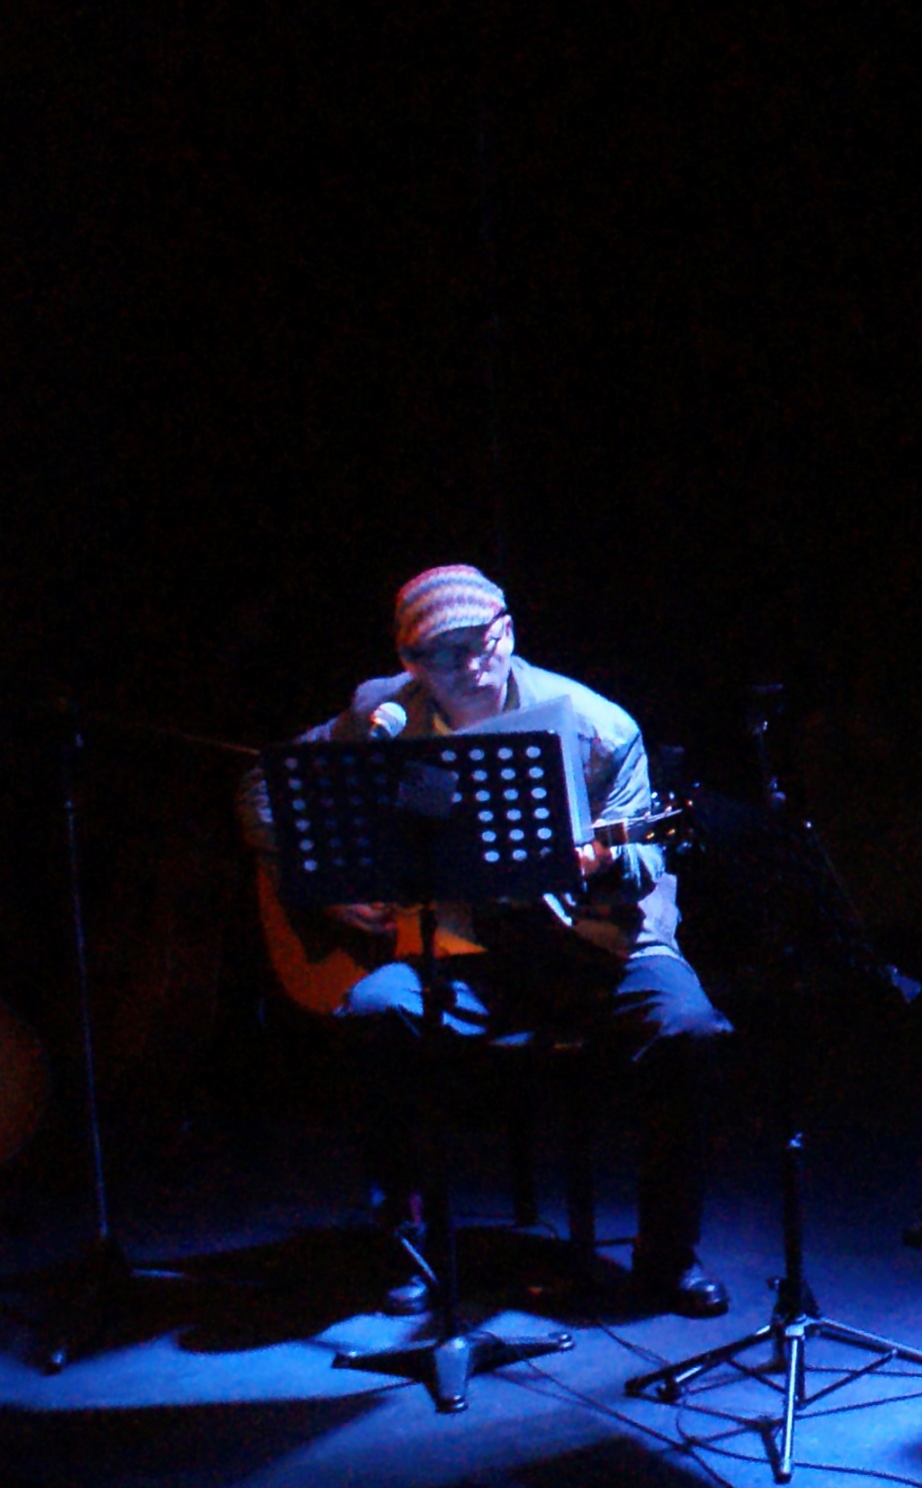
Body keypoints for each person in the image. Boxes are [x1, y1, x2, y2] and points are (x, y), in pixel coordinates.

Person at [279, 565, 734, 1321]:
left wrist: (604, 862)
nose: (465, 666)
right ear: (409, 662)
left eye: (478, 644)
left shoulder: (597, 727)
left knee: (689, 1029)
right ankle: (412, 1249)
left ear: (509, 633)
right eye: (440, 654)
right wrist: (329, 888)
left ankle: (668, 1258)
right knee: (372, 1011)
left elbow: (645, 862)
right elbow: (266, 789)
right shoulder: (381, 713)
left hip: (597, 943)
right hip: (463, 952)